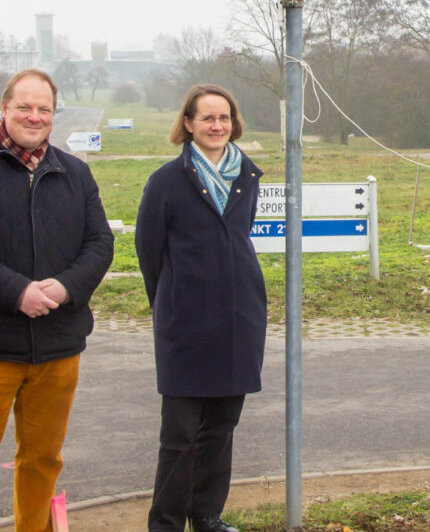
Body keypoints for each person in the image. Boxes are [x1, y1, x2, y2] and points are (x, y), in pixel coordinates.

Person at [0, 69, 114, 532]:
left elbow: (99, 244)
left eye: (43, 109)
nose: (34, 117)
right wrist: (18, 293)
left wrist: (66, 287)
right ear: (4, 110)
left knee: (42, 460)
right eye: (24, 107)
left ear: (53, 115)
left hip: (57, 346)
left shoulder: (75, 172)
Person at [136, 84, 267, 532]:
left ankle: (206, 513)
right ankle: (167, 522)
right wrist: (172, 304)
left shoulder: (247, 176)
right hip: (185, 325)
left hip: (239, 320)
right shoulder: (166, 183)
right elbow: (149, 253)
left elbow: (240, 237)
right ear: (188, 123)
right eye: (207, 118)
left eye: (224, 118)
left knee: (221, 428)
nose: (217, 126)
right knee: (179, 434)